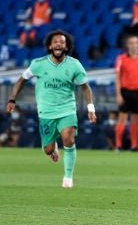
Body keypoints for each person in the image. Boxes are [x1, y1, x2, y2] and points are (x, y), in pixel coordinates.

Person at [6, 30, 96, 188]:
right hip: (46, 113)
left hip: (67, 110)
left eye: (62, 42)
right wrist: (12, 99)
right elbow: (21, 80)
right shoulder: (38, 64)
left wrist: (91, 108)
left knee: (69, 139)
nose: (58, 44)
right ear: (49, 46)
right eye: (55, 42)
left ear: (67, 47)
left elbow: (85, 87)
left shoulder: (74, 65)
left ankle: (68, 178)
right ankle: (53, 150)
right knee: (47, 149)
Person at [114, 35, 138, 151]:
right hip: (126, 91)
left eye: (136, 43)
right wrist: (118, 94)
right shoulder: (121, 59)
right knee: (122, 117)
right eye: (131, 43)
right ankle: (118, 145)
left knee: (135, 118)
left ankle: (134, 145)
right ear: (127, 45)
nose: (134, 45)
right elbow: (117, 78)